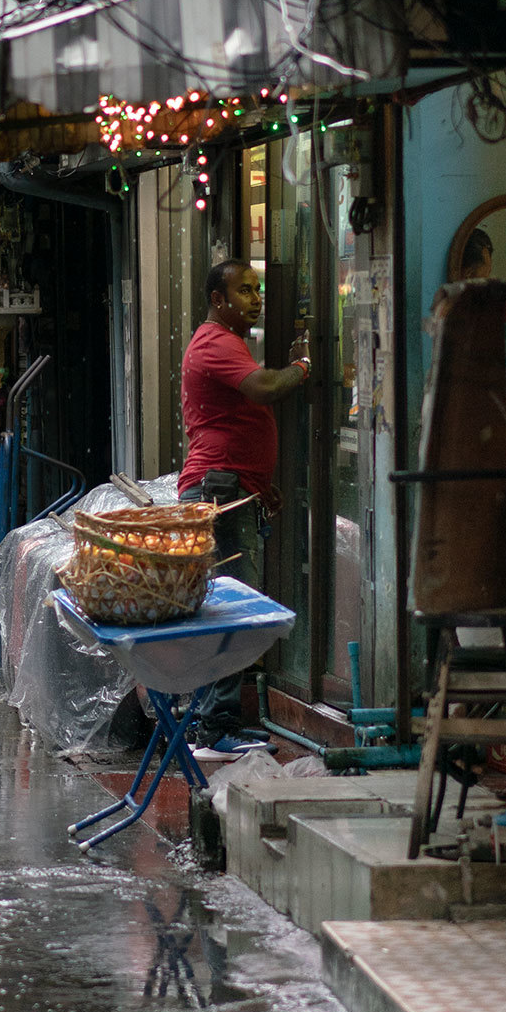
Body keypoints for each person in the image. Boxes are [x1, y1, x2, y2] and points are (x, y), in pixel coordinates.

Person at [177, 259, 310, 756]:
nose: (255, 299)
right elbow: (265, 389)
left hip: (230, 487)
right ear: (218, 299)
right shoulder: (217, 342)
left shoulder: (223, 341)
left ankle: (214, 721)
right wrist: (304, 365)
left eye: (257, 290)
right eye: (244, 290)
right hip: (218, 492)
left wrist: (257, 482)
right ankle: (214, 729)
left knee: (227, 603)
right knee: (230, 606)